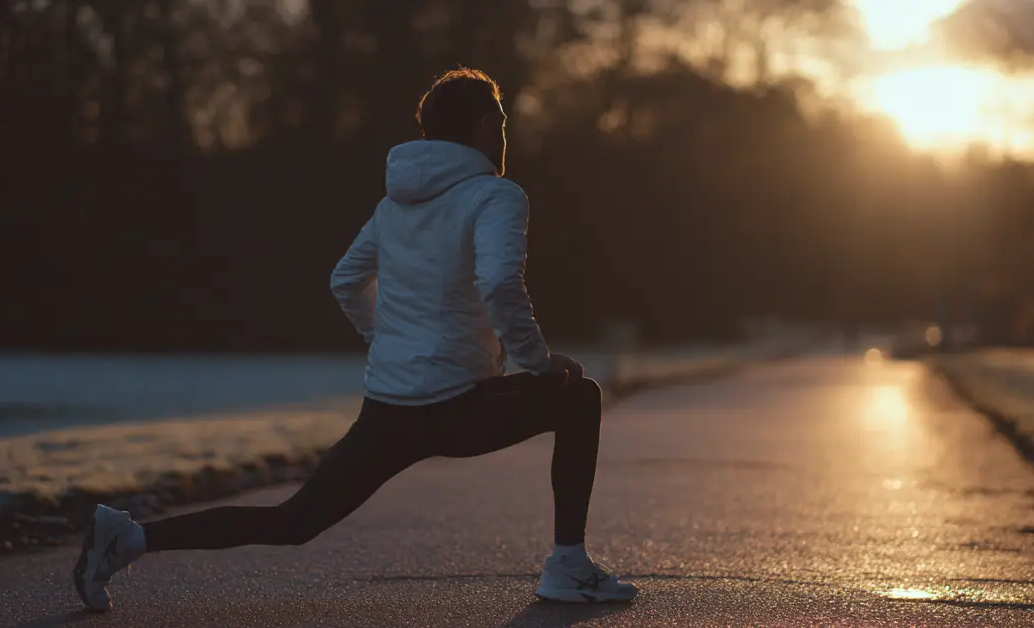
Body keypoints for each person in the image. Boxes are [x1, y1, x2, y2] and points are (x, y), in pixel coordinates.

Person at [72, 68, 638, 611]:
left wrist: (385, 344)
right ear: (486, 129)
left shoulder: (393, 206)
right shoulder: (496, 195)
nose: (504, 137)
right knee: (579, 396)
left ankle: (128, 539)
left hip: (390, 407)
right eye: (503, 125)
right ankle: (568, 566)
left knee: (294, 521)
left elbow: (345, 279)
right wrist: (538, 363)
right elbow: (497, 282)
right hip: (455, 407)